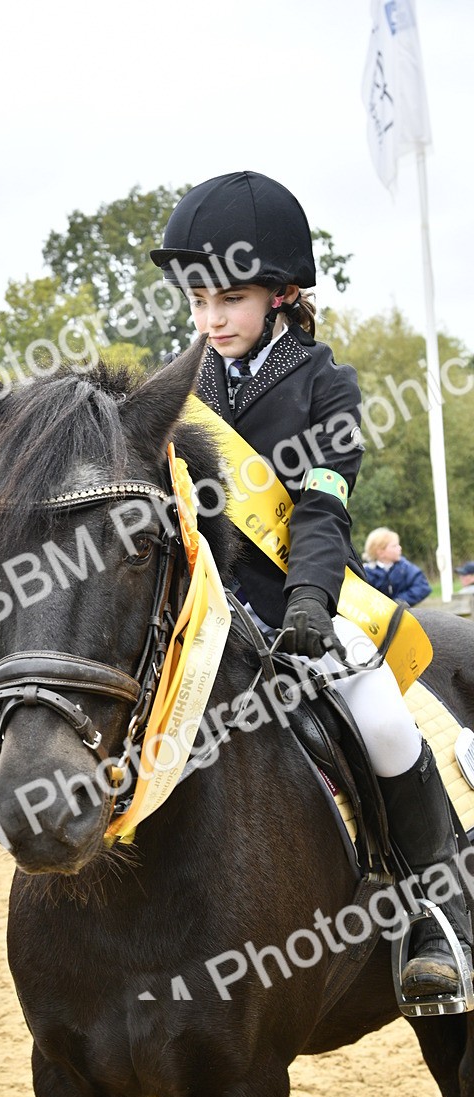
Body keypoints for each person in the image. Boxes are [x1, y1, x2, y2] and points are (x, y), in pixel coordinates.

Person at [151, 170, 471, 1001]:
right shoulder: (175, 390)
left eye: (230, 300)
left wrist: (307, 603)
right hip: (200, 617)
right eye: (198, 303)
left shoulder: (326, 385)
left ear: (283, 294)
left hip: (308, 602)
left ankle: (440, 917)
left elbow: (322, 512)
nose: (211, 319)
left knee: (382, 719)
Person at [363, 528, 432, 606]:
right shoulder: (367, 573)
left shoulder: (404, 568)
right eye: (394, 546)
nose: (400, 548)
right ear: (380, 552)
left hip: (403, 614)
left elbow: (422, 587)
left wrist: (398, 602)